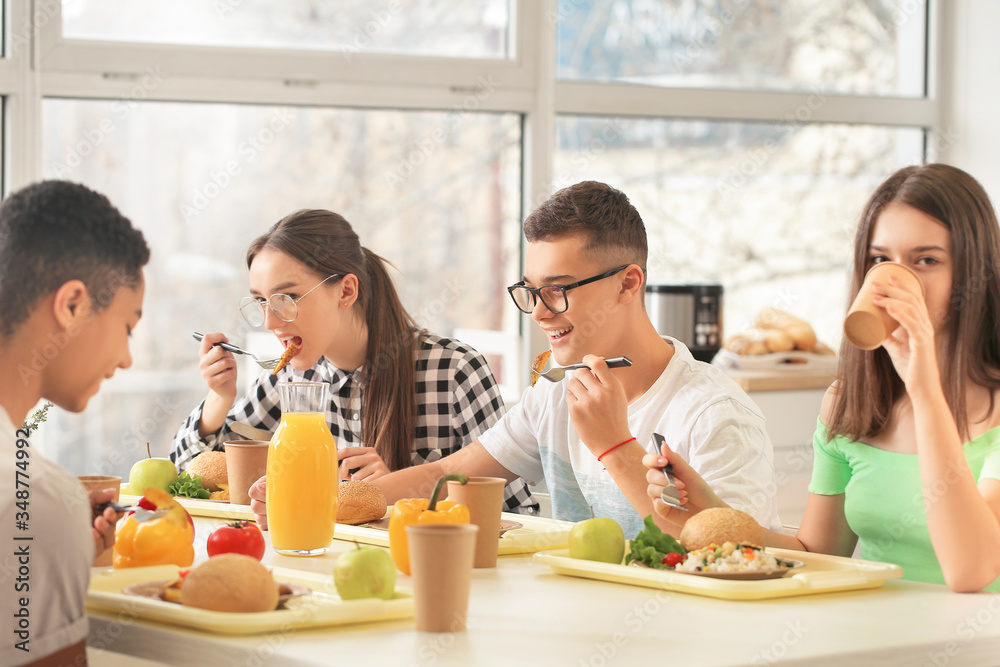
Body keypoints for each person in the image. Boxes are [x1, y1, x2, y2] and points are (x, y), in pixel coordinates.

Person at [350, 181, 779, 539]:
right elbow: (450, 475)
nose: (538, 311)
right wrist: (341, 503)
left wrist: (613, 445)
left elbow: (732, 557)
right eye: (531, 291)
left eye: (558, 289)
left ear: (628, 283)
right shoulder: (556, 390)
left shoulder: (715, 415)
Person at [644, 163, 1000, 593]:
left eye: (926, 260)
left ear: (974, 272)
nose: (895, 281)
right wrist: (709, 514)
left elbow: (971, 571)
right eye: (880, 260)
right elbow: (817, 554)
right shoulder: (850, 403)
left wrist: (925, 389)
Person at [171, 209, 537, 519]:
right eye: (262, 302)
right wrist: (219, 399)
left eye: (288, 297)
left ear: (346, 291)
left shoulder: (454, 370)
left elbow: (515, 512)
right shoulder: (290, 379)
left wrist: (398, 490)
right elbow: (189, 476)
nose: (271, 322)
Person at [0, 181, 149, 666]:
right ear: (72, 305)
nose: (126, 359)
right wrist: (51, 527)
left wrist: (52, 559)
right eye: (127, 326)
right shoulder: (38, 503)